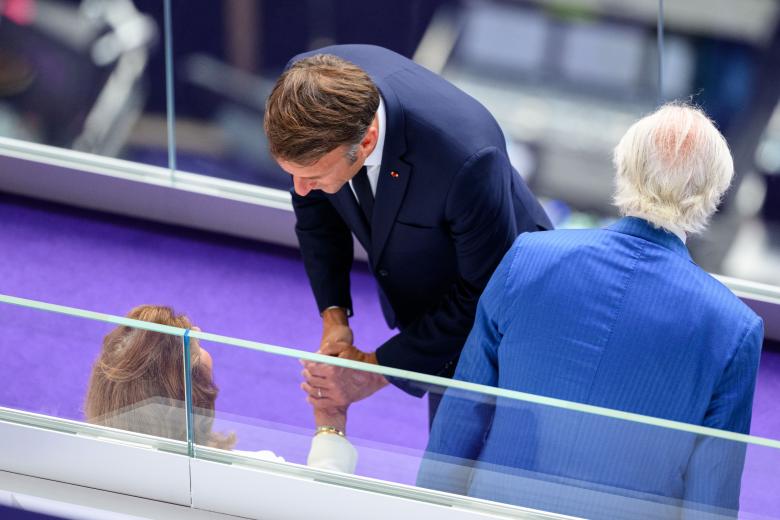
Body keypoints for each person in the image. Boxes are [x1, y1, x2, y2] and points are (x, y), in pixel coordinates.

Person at [417, 104, 764, 518]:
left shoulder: (528, 258)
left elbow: (463, 415)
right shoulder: (733, 328)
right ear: (714, 194)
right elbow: (711, 495)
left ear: (623, 169)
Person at [263, 45, 552, 422]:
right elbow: (316, 209)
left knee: (476, 445)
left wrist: (376, 371)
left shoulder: (465, 159)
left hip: (510, 305)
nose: (298, 189)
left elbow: (483, 293)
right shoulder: (303, 94)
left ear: (366, 142)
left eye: (313, 176)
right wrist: (334, 318)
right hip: (435, 287)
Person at [84, 305, 357, 473]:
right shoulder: (256, 472)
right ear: (194, 399)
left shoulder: (82, 458)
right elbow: (324, 508)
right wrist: (331, 424)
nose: (199, 333)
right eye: (196, 346)